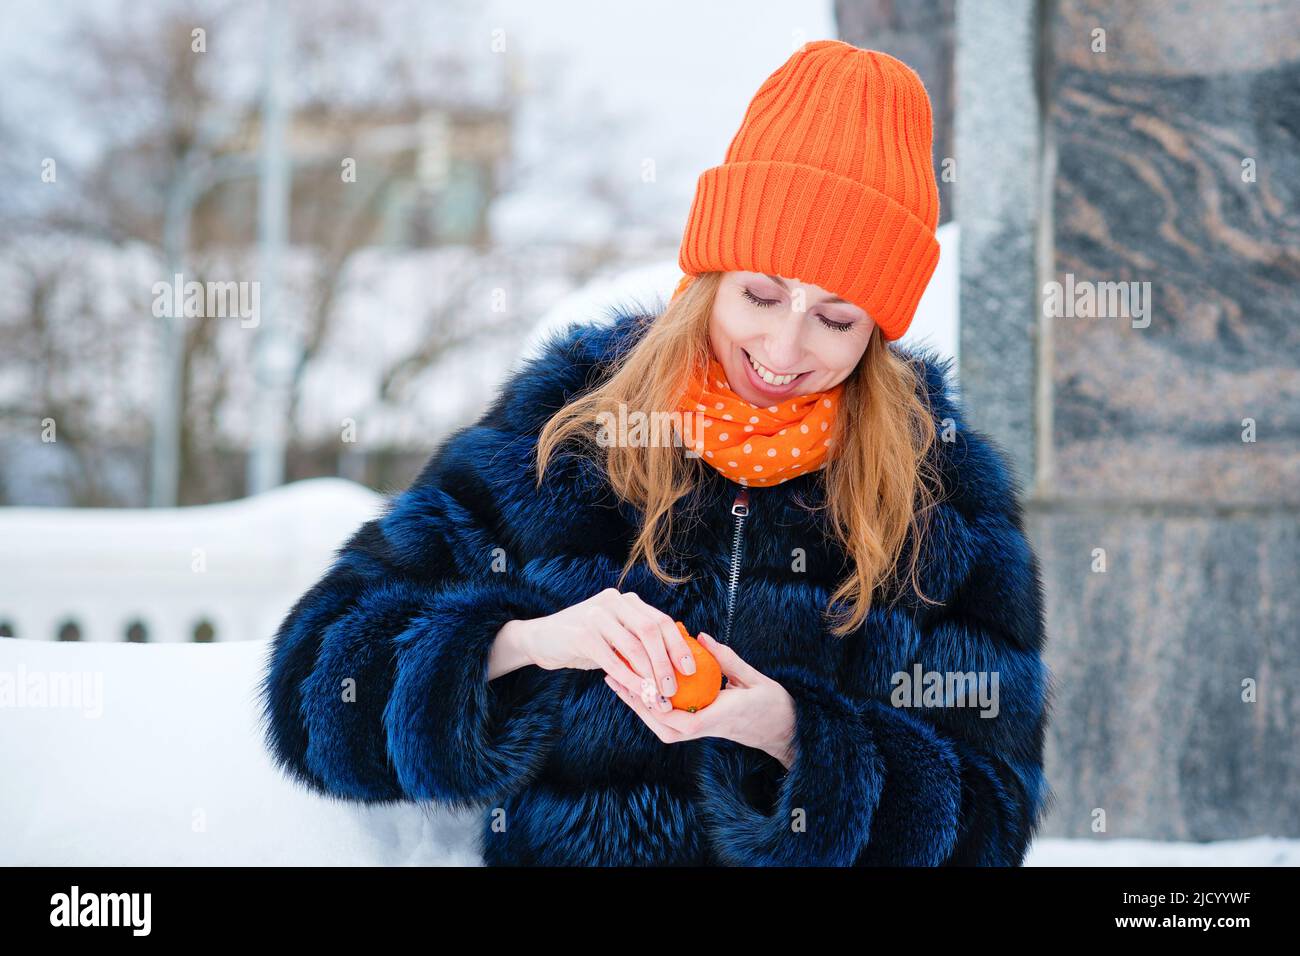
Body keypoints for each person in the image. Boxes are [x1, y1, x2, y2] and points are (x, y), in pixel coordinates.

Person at [259, 39, 1053, 866]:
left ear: (879, 330)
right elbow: (313, 692)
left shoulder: (944, 494)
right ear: (713, 270)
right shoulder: (570, 427)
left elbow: (991, 825)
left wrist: (793, 737)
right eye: (761, 294)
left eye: (836, 319)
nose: (783, 349)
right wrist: (528, 642)